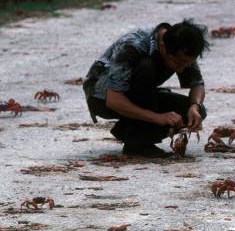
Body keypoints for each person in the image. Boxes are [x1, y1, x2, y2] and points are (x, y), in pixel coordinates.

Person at [83, 19, 209, 158]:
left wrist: (195, 106)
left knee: (195, 111)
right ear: (163, 46)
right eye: (177, 63)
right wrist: (157, 118)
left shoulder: (181, 46)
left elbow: (197, 84)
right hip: (102, 98)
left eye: (187, 63)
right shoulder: (132, 46)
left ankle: (128, 130)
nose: (182, 68)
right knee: (146, 67)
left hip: (138, 93)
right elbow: (113, 100)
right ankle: (138, 144)